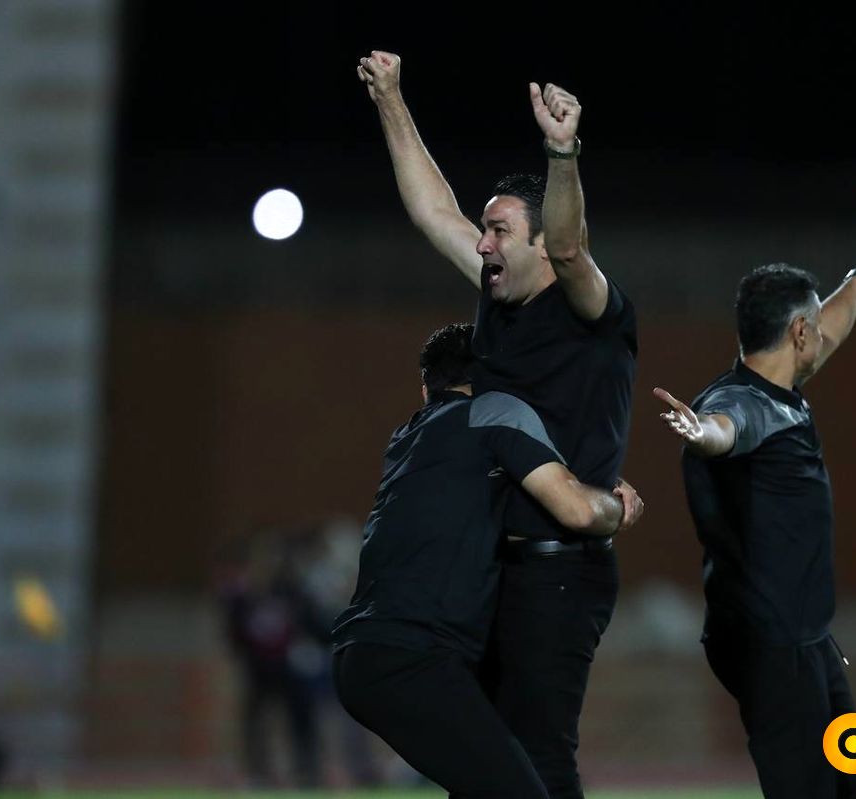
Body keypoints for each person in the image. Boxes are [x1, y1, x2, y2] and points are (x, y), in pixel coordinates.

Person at [358, 51, 638, 798]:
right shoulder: (496, 296)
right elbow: (431, 213)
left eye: (500, 230)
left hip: (558, 565)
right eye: (483, 230)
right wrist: (391, 98)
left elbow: (572, 246)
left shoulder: (590, 310)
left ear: (541, 242)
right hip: (496, 567)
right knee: (485, 765)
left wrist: (562, 153)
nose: (482, 243)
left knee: (538, 760)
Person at [654, 240, 856, 799]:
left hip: (803, 635)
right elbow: (725, 429)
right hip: (769, 638)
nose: (823, 334)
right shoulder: (742, 404)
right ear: (800, 332)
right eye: (814, 326)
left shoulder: (778, 392)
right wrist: (701, 434)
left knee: (848, 783)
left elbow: (832, 330)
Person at [331, 323, 638, 798]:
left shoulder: (409, 435)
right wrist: (619, 507)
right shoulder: (497, 410)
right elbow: (577, 510)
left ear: (426, 386)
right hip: (414, 658)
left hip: (365, 651)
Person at [220, 531, 330, 787]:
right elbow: (235, 632)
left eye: (275, 558)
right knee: (256, 721)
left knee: (301, 719)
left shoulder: (292, 592)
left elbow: (312, 623)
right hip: (259, 669)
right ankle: (258, 772)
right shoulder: (244, 596)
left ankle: (307, 771)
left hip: (290, 668)